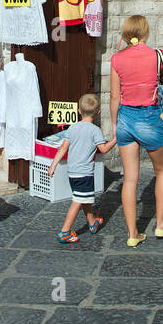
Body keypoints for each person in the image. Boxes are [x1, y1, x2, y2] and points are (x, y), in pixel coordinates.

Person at [110, 14, 163, 246]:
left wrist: (114, 125)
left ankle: (133, 234)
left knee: (130, 179)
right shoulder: (159, 56)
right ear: (145, 32)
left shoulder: (116, 60)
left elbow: (114, 98)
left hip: (125, 120)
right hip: (149, 117)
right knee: (162, 171)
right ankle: (161, 225)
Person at [50, 93, 116, 243]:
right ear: (98, 112)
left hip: (72, 172)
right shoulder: (95, 130)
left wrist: (53, 165)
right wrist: (115, 140)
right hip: (84, 173)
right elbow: (104, 149)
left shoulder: (72, 128)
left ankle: (92, 223)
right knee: (78, 201)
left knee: (84, 198)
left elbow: (63, 148)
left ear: (79, 111)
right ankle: (65, 231)